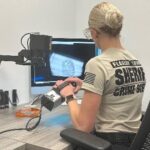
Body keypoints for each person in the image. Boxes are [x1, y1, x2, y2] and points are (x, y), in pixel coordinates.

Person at [55, 2, 146, 148]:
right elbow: (115, 91)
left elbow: (83, 127)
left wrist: (68, 95)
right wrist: (85, 84)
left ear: (94, 32)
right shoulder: (135, 61)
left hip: (107, 143)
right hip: (134, 142)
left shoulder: (96, 64)